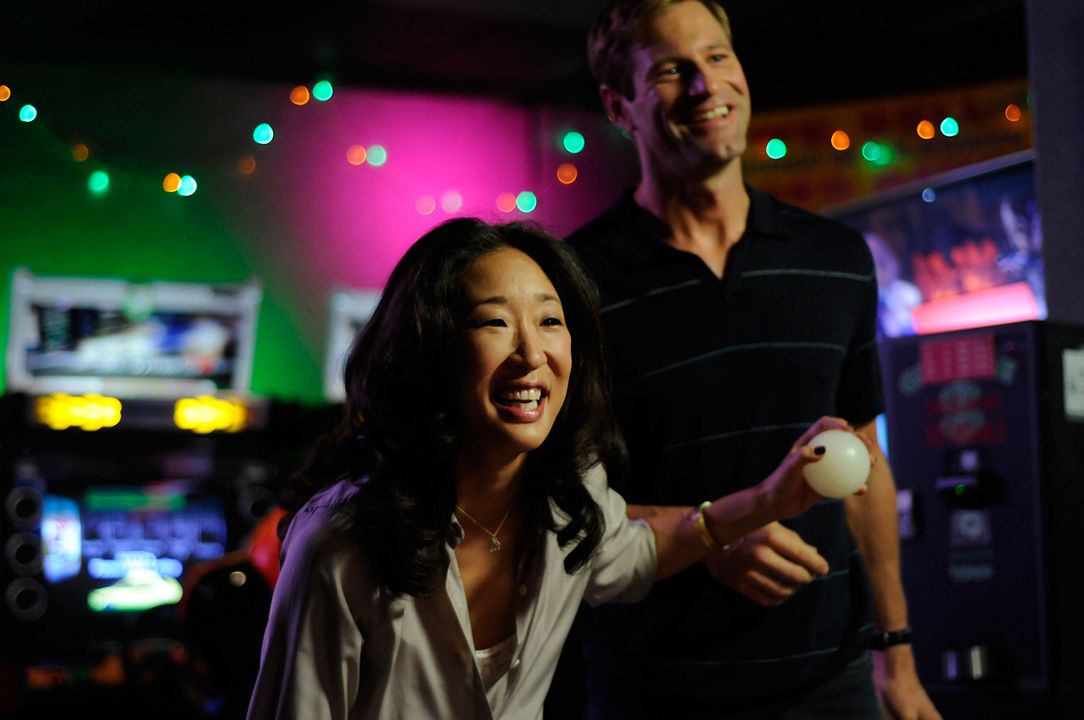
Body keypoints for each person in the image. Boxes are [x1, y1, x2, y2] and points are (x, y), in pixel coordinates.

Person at [245, 217, 864, 720]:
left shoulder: (570, 494)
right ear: (428, 349)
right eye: (494, 322)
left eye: (550, 321)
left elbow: (637, 556)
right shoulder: (344, 540)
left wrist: (767, 501)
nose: (533, 354)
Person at [551, 1, 942, 718]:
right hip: (655, 686)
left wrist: (899, 658)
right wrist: (709, 532)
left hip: (831, 684)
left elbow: (863, 467)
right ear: (619, 107)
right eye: (672, 70)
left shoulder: (835, 259)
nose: (706, 86)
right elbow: (557, 502)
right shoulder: (573, 284)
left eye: (718, 57)